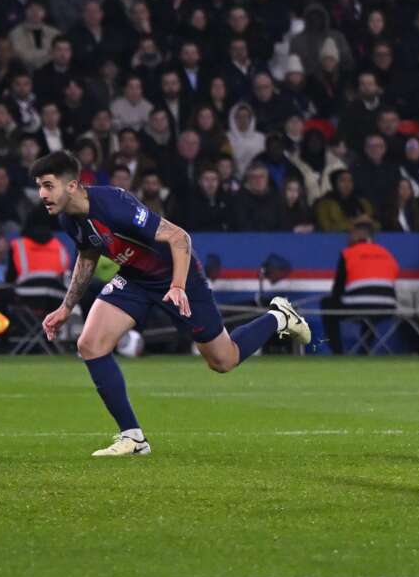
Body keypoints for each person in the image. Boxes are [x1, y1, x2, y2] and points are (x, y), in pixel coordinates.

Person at [32, 150, 310, 456]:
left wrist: (178, 285)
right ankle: (133, 438)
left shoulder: (114, 205)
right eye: (40, 186)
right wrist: (66, 306)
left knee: (223, 360)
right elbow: (88, 255)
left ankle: (279, 317)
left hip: (179, 277)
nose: (42, 194)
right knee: (90, 345)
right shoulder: (69, 219)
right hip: (136, 279)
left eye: (48, 185)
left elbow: (179, 238)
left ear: (71, 186)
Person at [320, 220, 399, 354]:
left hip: (359, 306)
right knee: (370, 312)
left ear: (358, 235)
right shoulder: (387, 253)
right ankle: (364, 351)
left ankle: (338, 353)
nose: (347, 237)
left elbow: (337, 290)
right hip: (387, 307)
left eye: (350, 234)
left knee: (328, 304)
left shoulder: (348, 253)